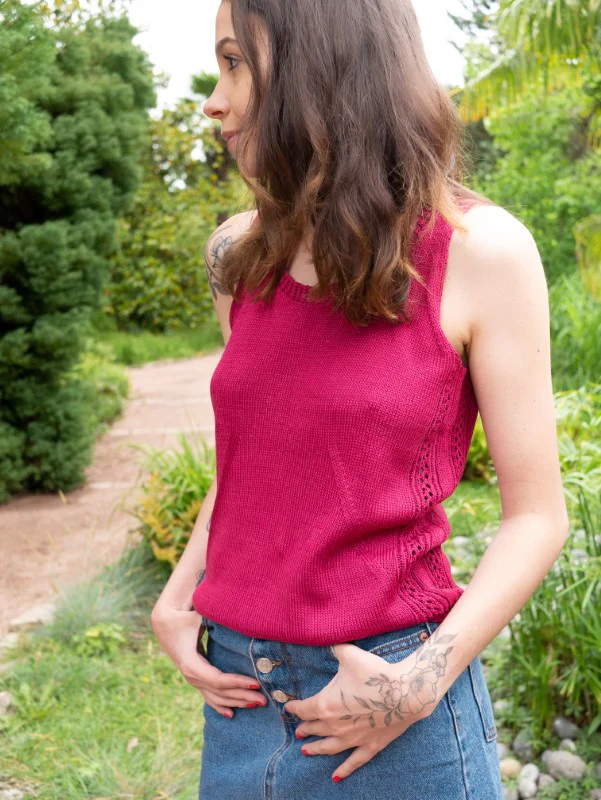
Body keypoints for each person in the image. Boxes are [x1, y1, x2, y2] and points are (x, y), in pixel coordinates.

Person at [150, 1, 570, 797]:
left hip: (393, 707)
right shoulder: (237, 255)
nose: (212, 99)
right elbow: (255, 466)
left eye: (234, 63)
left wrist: (414, 686)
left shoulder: (479, 251)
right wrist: (178, 595)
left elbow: (536, 517)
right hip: (239, 701)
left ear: (319, 65)